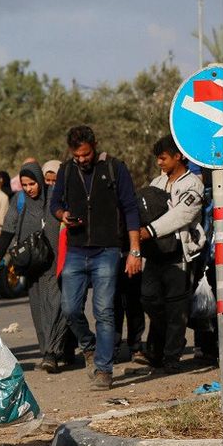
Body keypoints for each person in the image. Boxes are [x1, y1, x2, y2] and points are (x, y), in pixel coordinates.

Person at [49, 125, 142, 390]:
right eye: (76, 155)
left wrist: (134, 251)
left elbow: (131, 209)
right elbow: (55, 204)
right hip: (76, 251)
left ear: (94, 145)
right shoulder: (66, 171)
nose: (81, 160)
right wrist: (62, 216)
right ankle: (88, 345)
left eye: (85, 154)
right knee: (69, 309)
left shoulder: (115, 168)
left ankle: (104, 369)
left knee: (104, 311)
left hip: (107, 251)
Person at [137, 135, 206, 372]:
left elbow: (181, 216)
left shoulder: (193, 184)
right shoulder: (157, 183)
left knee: (177, 307)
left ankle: (171, 357)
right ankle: (161, 349)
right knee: (149, 299)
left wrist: (150, 230)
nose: (160, 163)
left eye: (163, 158)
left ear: (178, 157)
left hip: (180, 255)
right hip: (155, 255)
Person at [0, 162, 68, 373]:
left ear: (40, 181)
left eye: (32, 183)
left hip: (55, 262)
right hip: (32, 264)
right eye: (24, 184)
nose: (28, 188)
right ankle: (47, 352)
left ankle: (54, 351)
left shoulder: (56, 196)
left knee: (56, 303)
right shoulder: (20, 200)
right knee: (38, 308)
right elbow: (8, 229)